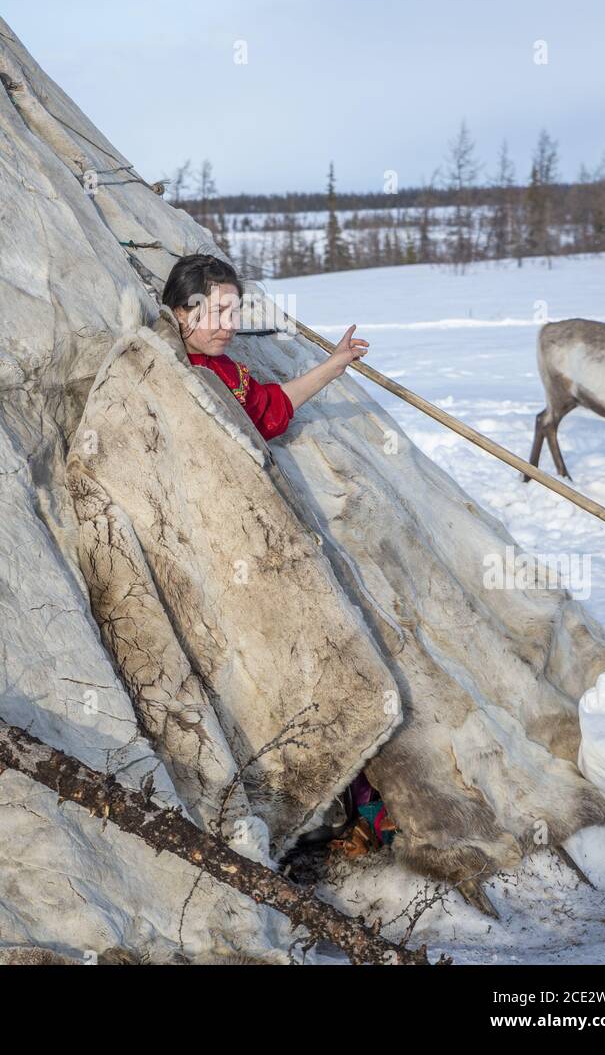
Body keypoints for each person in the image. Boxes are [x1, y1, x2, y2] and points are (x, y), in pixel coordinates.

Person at [162, 251, 398, 856]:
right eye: (210, 311)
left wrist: (335, 365)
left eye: (231, 311)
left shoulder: (230, 374)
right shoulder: (169, 377)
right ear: (177, 311)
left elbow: (273, 410)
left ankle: (350, 809)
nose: (223, 323)